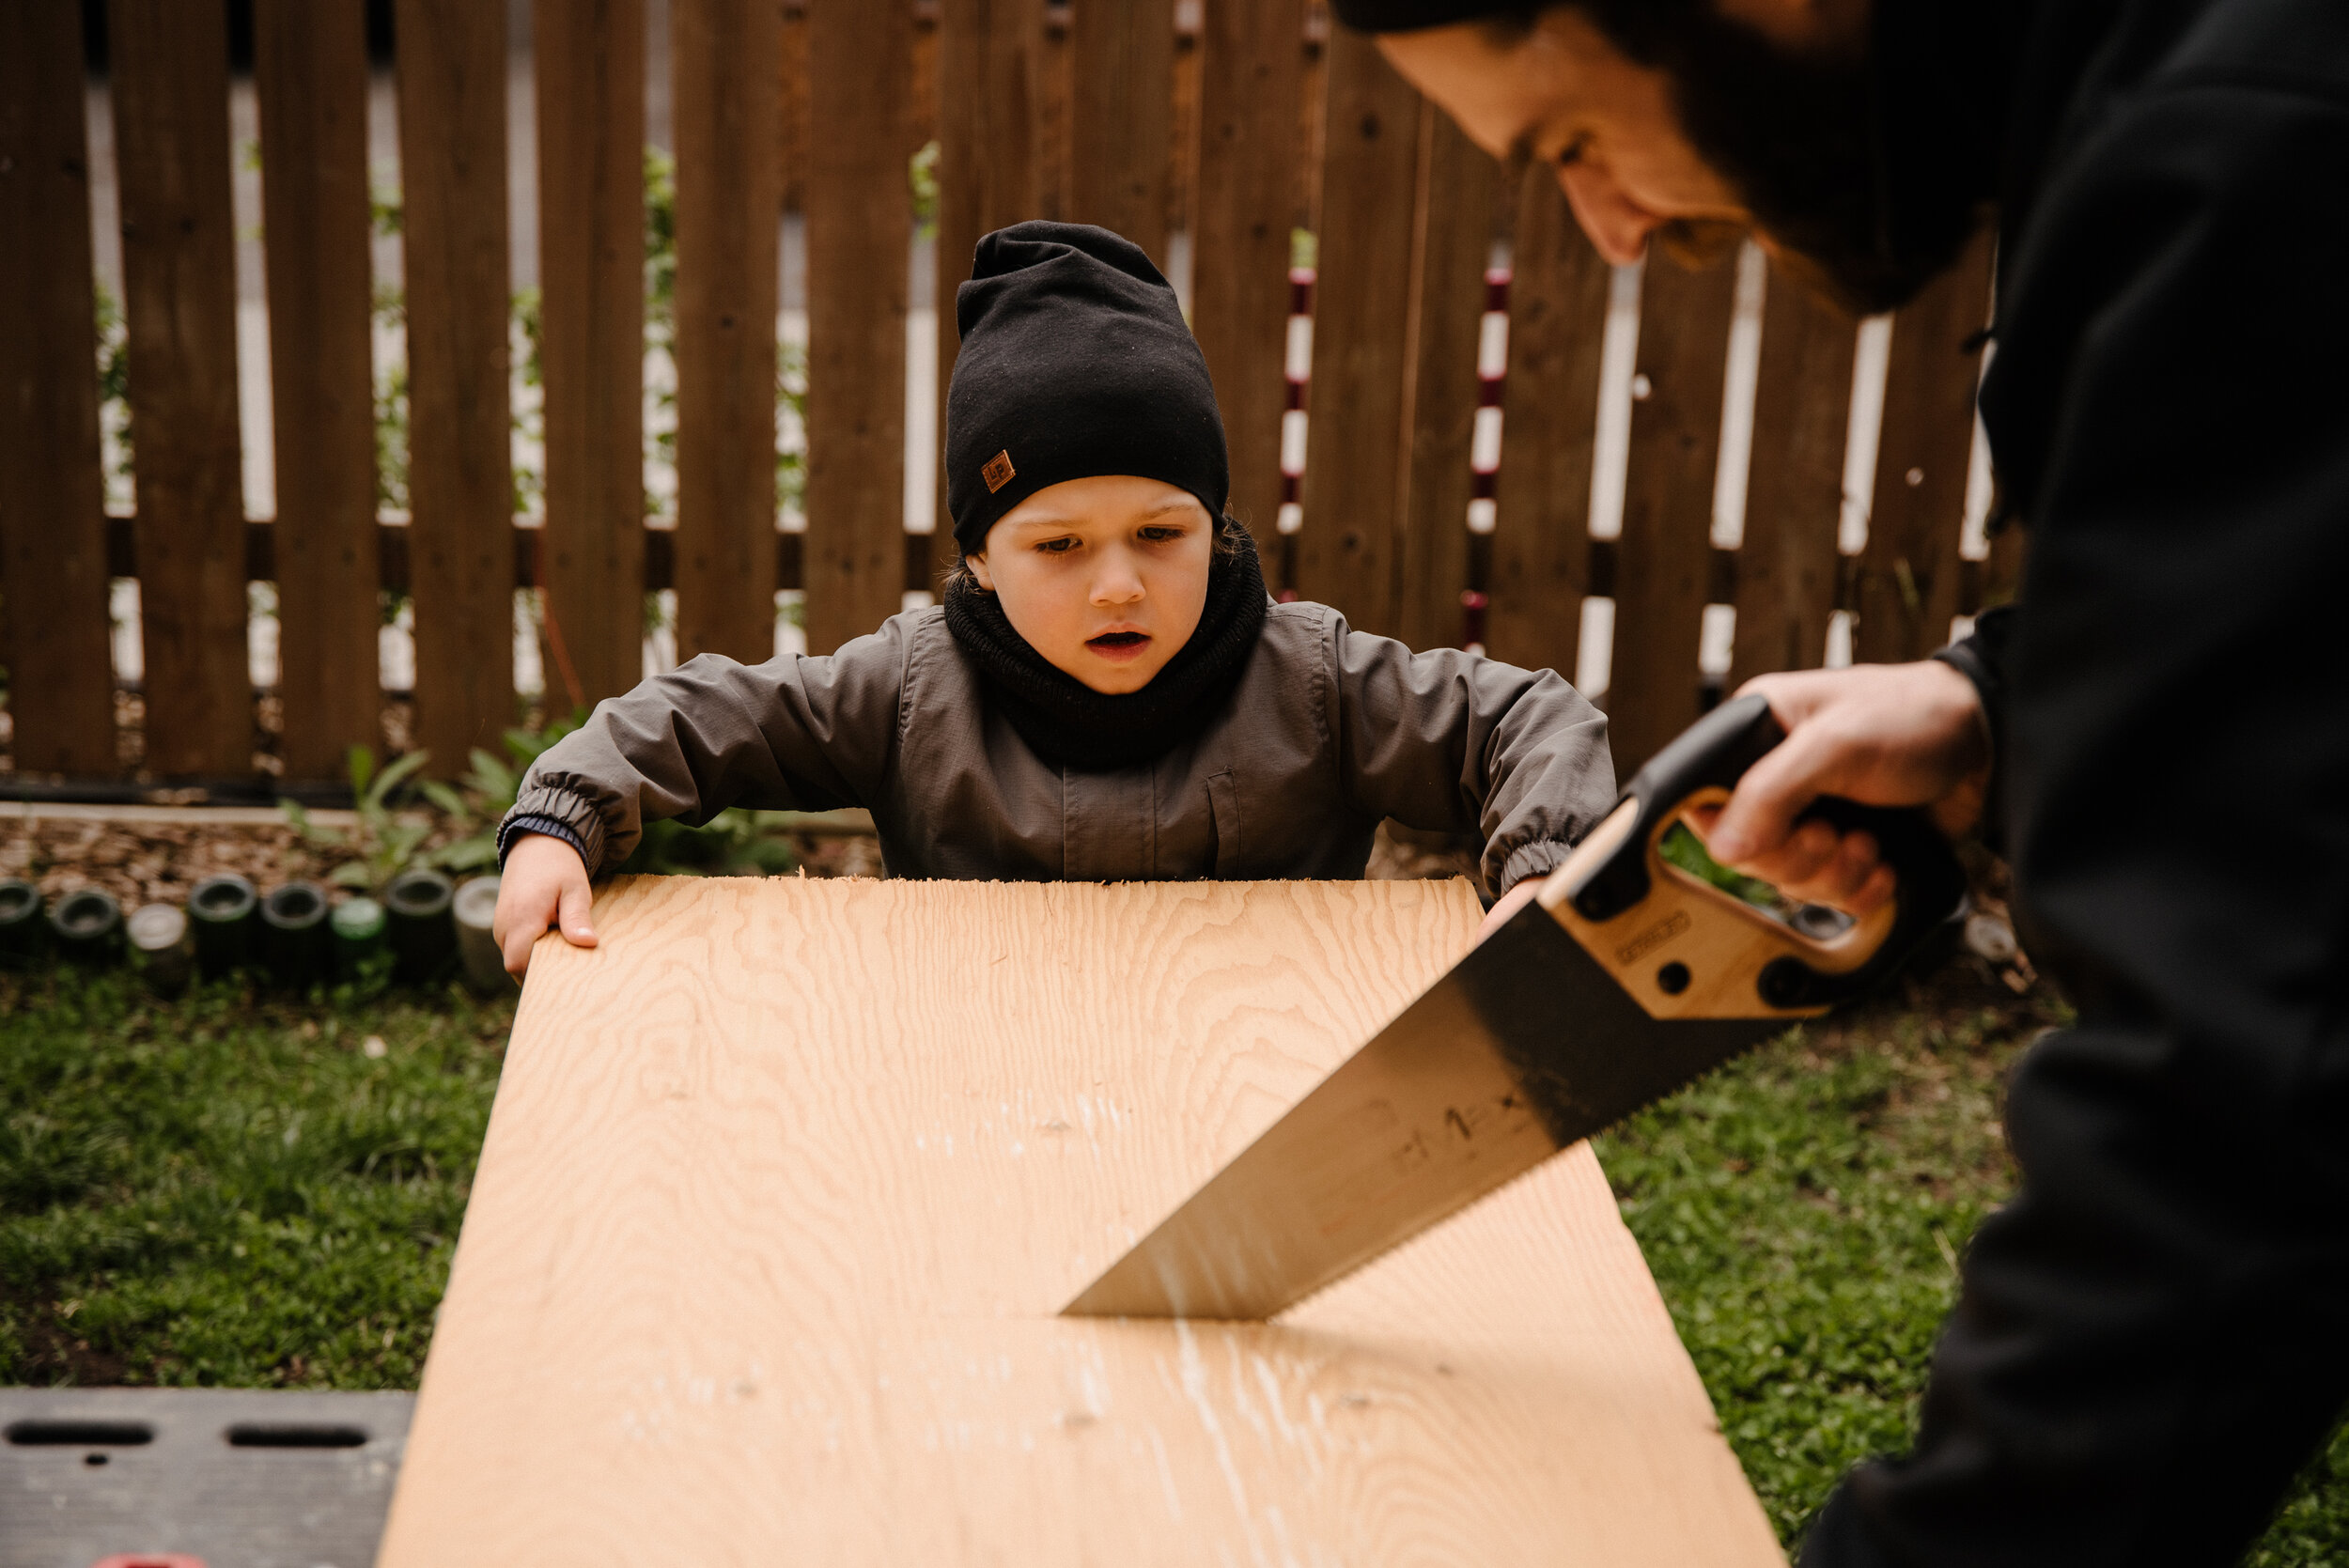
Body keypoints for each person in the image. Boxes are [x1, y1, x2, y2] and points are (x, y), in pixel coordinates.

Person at [1341, 0, 2349, 1561]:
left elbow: (2237, 1121)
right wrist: (1997, 700)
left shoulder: (2239, 141)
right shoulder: (2180, 98)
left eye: (1574, 140)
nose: (1604, 229)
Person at [492, 222, 1615, 978]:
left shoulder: (1310, 683)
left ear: (1218, 527)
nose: (1118, 581)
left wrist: (1545, 873)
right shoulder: (907, 688)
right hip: (980, 1075)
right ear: (980, 557)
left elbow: (1527, 717)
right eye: (1059, 544)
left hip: (1263, 1066)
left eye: (1162, 534)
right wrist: (562, 818)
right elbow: (707, 715)